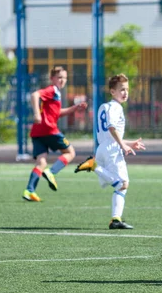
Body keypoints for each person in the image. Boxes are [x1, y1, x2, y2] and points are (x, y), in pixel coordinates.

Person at [73, 74, 146, 230]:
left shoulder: (105, 107)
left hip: (104, 147)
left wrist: (129, 144)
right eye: (121, 90)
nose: (125, 93)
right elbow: (111, 128)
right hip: (112, 150)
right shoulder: (115, 107)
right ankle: (93, 166)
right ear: (112, 91)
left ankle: (115, 219)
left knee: (121, 185)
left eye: (126, 89)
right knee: (123, 184)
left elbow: (109, 135)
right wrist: (123, 145)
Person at [22, 66, 88, 202]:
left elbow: (57, 113)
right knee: (70, 152)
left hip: (37, 131)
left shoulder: (56, 94)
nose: (62, 80)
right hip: (49, 129)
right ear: (52, 78)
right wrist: (36, 113)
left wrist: (74, 108)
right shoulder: (52, 90)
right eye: (59, 77)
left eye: (64, 78)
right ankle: (51, 172)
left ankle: (29, 190)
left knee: (41, 162)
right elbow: (35, 95)